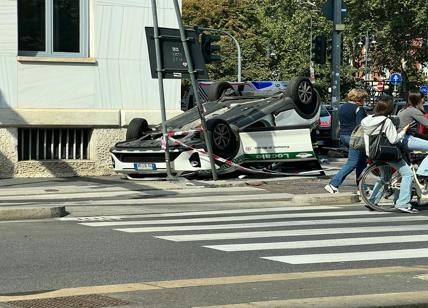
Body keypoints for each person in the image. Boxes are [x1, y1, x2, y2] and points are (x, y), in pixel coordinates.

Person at [361, 96, 416, 213]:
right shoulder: (386, 121)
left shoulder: (366, 120)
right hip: (386, 153)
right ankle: (403, 203)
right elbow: (394, 140)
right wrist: (404, 131)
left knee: (385, 177)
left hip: (373, 153)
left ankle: (372, 201)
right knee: (408, 174)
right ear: (390, 109)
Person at [324, 89, 368, 194]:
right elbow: (360, 125)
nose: (364, 100)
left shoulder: (342, 107)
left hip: (343, 135)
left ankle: (362, 188)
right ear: (359, 99)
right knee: (352, 162)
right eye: (363, 98)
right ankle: (333, 184)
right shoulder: (359, 109)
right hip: (355, 138)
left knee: (361, 162)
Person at [398, 91, 428, 178]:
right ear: (418, 100)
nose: (424, 100)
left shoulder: (402, 110)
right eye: (422, 98)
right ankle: (423, 171)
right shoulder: (414, 111)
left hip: (400, 138)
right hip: (406, 139)